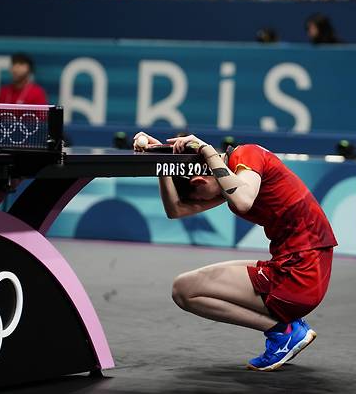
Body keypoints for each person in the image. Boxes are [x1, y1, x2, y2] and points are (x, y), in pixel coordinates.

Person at [133, 132, 337, 371]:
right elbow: (177, 210)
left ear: (198, 181)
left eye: (199, 197)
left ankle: (282, 331)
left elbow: (242, 201)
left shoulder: (246, 154)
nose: (201, 203)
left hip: (300, 273)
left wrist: (206, 150)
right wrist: (163, 162)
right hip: (300, 263)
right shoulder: (230, 172)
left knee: (183, 290)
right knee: (189, 285)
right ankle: (288, 327)